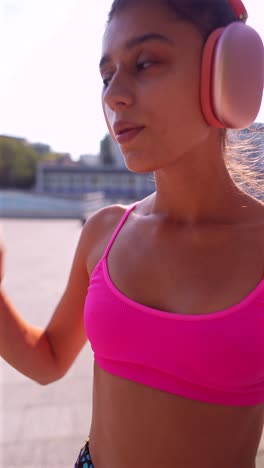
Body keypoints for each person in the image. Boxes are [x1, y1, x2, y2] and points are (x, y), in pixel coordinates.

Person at [1, 0, 264, 467]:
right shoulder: (105, 233)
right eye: (106, 76)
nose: (114, 95)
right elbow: (49, 359)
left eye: (146, 63)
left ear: (230, 72)